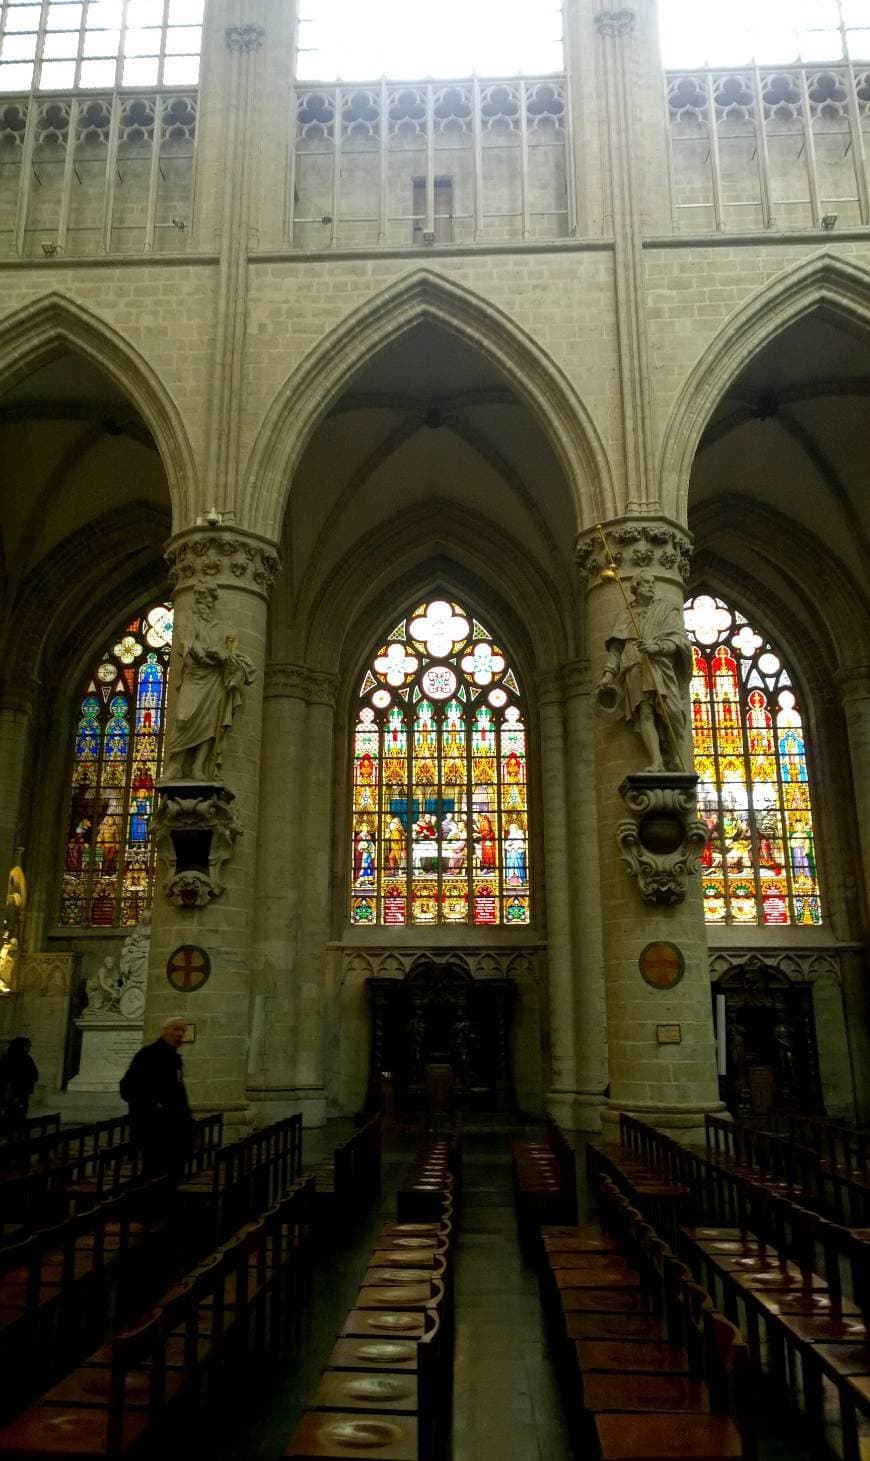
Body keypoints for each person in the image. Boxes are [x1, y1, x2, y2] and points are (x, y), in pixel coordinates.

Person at [596, 570, 693, 772]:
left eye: (652, 583)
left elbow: (677, 641)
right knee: (645, 713)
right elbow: (616, 649)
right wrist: (607, 674)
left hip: (660, 665)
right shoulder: (626, 614)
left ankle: (675, 755)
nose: (651, 586)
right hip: (633, 664)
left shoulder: (666, 609)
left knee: (672, 712)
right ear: (636, 588)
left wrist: (655, 648)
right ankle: (656, 760)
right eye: (646, 583)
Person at [119, 1017, 194, 1180]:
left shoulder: (173, 1057)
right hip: (154, 1126)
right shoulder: (149, 1054)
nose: (179, 1034)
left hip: (173, 1125)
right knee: (155, 1171)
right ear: (164, 1031)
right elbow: (127, 1087)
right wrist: (154, 1107)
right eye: (175, 1030)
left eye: (182, 1031)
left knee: (172, 1171)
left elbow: (176, 1091)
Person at [0, 1036, 38, 1120]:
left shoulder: (8, 1057)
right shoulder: (23, 1058)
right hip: (17, 1092)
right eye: (27, 1046)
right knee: (16, 1114)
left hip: (16, 1092)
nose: (29, 1049)